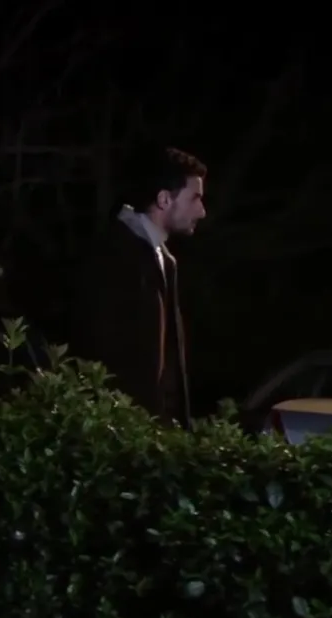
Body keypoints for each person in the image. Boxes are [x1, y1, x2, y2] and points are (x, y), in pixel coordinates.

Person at [69, 147, 207, 428]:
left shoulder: (160, 258)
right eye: (195, 198)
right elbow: (106, 355)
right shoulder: (115, 256)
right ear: (164, 199)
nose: (202, 211)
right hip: (123, 431)